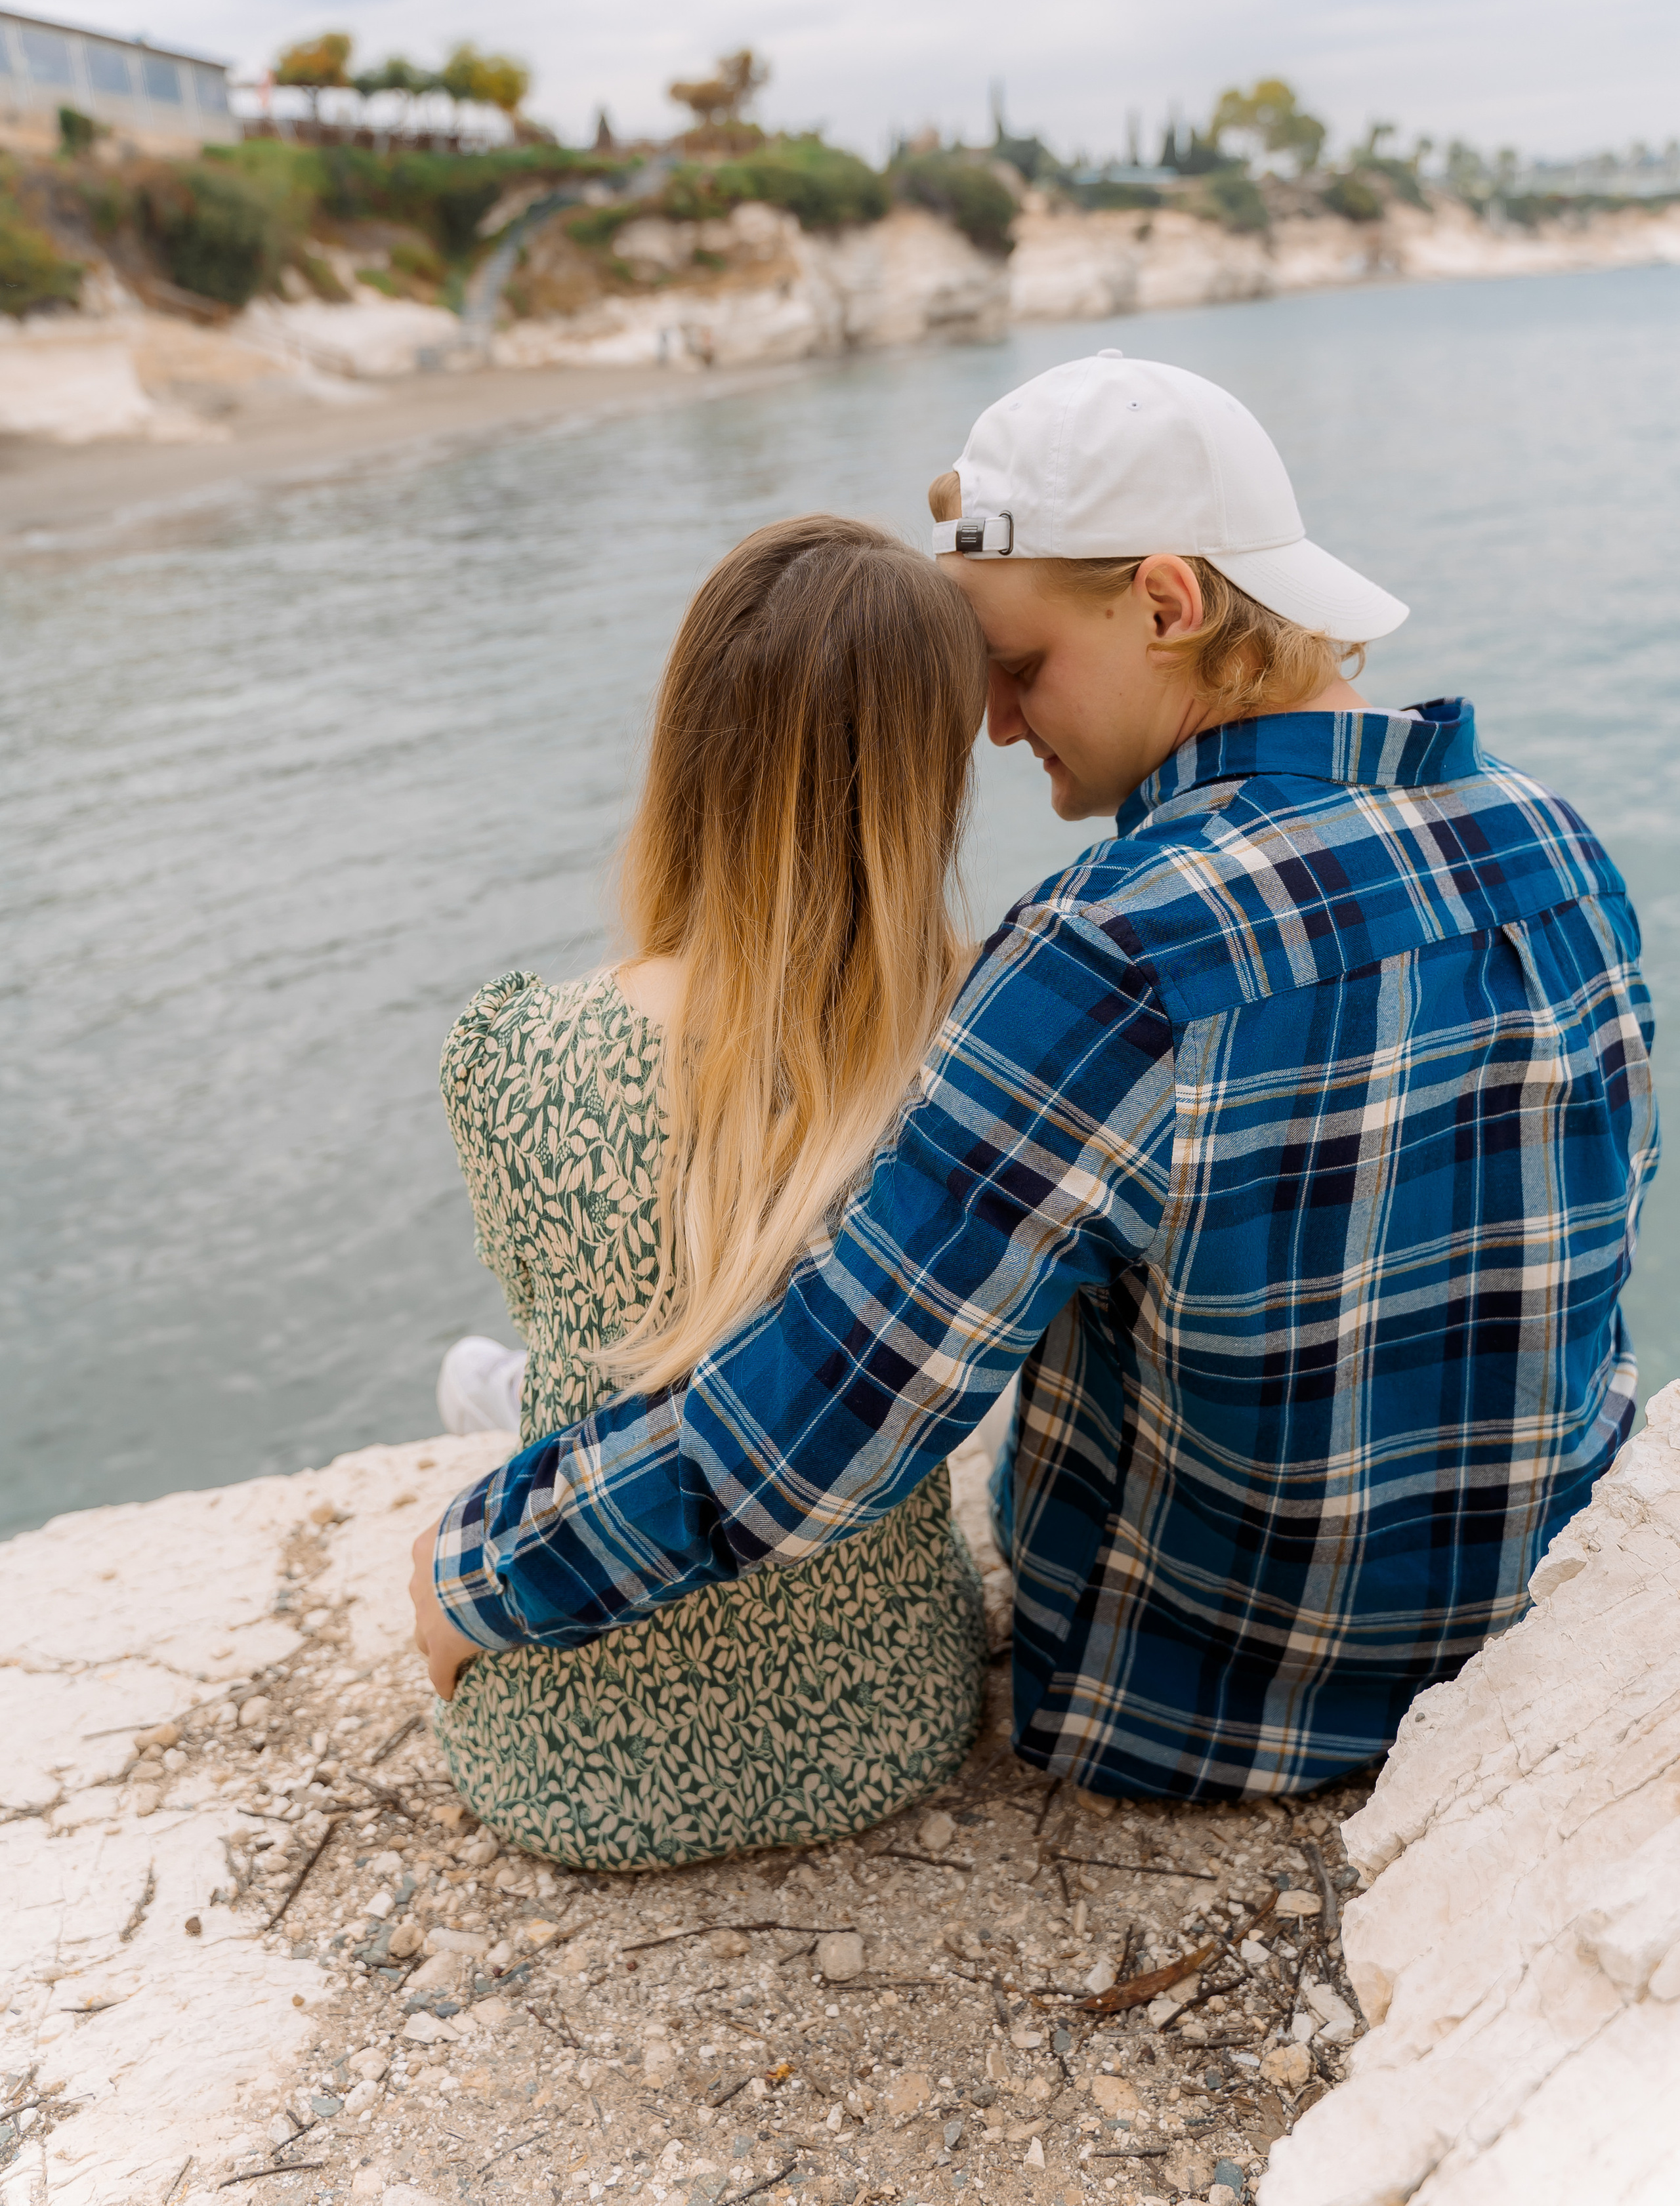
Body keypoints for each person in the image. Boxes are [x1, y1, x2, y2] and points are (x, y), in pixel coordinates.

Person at [413, 350, 1658, 1805]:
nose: (994, 726)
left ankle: (528, 1402)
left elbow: (834, 1414)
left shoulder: (1115, 948)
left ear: (1166, 603)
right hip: (1507, 1638)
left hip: (1206, 1700)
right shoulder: (1549, 842)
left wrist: (482, 1569)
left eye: (1014, 666)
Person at [423, 514, 992, 1869]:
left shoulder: (517, 1050)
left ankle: (492, 1402)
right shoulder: (984, 1045)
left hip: (569, 1771)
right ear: (931, 778)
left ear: (683, 740)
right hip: (888, 1721)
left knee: (578, 1345)